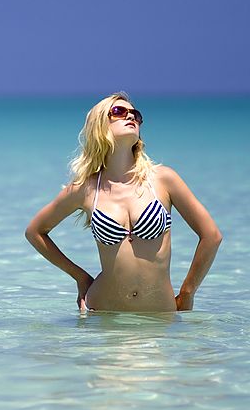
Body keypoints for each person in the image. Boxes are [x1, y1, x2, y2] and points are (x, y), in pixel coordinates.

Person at [25, 91, 222, 313]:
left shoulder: (163, 180)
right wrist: (80, 277)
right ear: (99, 125)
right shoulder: (87, 189)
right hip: (104, 312)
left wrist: (187, 292)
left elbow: (211, 236)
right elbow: (35, 232)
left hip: (157, 315)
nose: (131, 117)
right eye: (119, 111)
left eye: (135, 114)